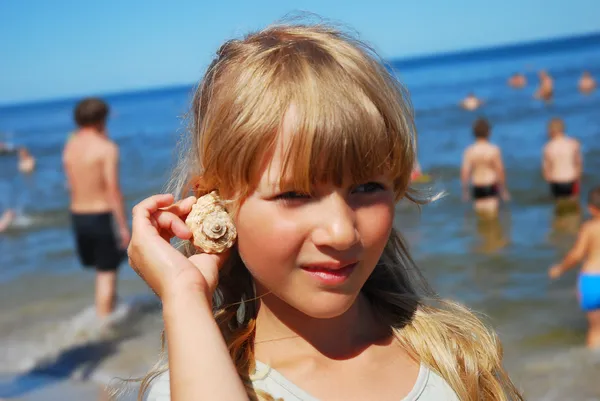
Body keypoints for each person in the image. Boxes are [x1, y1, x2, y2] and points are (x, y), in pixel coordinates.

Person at [126, 23, 523, 401]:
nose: (341, 232)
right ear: (215, 202)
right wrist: (183, 295)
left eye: (367, 188)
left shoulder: (458, 361)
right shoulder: (196, 380)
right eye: (295, 194)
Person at [62, 98, 130, 318]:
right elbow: (112, 189)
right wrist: (122, 226)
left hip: (77, 215)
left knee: (99, 269)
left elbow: (70, 182)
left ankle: (106, 308)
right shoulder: (107, 149)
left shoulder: (70, 145)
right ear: (102, 118)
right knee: (107, 272)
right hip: (99, 215)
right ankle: (104, 324)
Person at [549, 187, 600, 348]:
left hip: (591, 280)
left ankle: (594, 367)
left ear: (591, 208)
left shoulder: (589, 228)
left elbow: (577, 255)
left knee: (595, 330)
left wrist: (560, 268)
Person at [461, 118, 510, 218]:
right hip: (491, 185)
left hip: (477, 187)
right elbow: (500, 170)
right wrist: (504, 190)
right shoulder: (493, 150)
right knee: (493, 219)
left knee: (481, 219)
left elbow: (465, 172)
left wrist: (465, 191)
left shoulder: (469, 151)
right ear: (488, 132)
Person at [542, 118, 582, 205]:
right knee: (574, 204)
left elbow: (546, 169)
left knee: (559, 205)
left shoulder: (548, 147)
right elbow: (578, 163)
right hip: (571, 178)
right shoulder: (573, 143)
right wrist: (578, 176)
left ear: (550, 131)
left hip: (556, 180)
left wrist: (548, 179)